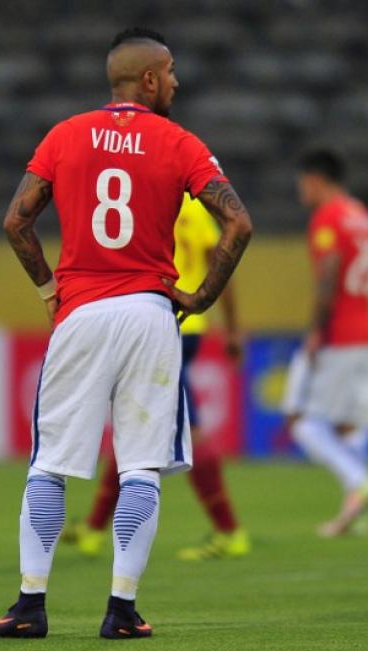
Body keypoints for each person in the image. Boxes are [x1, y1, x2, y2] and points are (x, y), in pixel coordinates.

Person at [0, 28, 252, 640]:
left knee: (49, 465)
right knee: (140, 467)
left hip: (80, 311)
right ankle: (121, 610)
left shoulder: (65, 134)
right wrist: (202, 296)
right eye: (172, 72)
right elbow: (238, 222)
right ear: (151, 80)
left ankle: (30, 605)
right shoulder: (180, 142)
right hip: (149, 314)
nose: (178, 83)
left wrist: (50, 292)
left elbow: (15, 221)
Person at [62, 193, 251, 561]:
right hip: (183, 323)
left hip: (163, 324)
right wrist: (230, 329)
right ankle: (94, 527)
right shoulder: (194, 208)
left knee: (183, 429)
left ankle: (230, 531)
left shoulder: (146, 197)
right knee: (135, 424)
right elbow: (220, 263)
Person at [282, 148, 368, 538]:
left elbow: (328, 273)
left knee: (301, 421)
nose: (300, 191)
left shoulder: (329, 217)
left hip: (339, 334)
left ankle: (361, 480)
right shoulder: (364, 217)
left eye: (302, 183)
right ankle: (356, 513)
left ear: (316, 180)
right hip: (367, 331)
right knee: (348, 425)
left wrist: (315, 330)